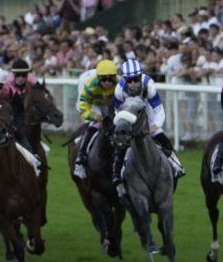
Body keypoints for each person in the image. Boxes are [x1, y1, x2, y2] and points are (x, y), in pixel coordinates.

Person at [113, 56, 183, 188]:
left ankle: (177, 165)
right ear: (124, 79)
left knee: (163, 139)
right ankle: (116, 174)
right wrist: (124, 127)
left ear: (141, 76)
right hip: (127, 113)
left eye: (136, 79)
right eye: (129, 80)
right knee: (121, 144)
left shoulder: (149, 84)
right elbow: (118, 111)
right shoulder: (119, 90)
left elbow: (157, 107)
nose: (133, 83)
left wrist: (156, 125)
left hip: (146, 109)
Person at [70, 57, 120, 181]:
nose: (107, 82)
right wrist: (95, 116)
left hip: (106, 100)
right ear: (98, 78)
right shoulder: (89, 85)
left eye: (111, 79)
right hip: (90, 102)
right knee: (96, 124)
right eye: (104, 79)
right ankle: (80, 160)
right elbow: (83, 107)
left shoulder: (120, 84)